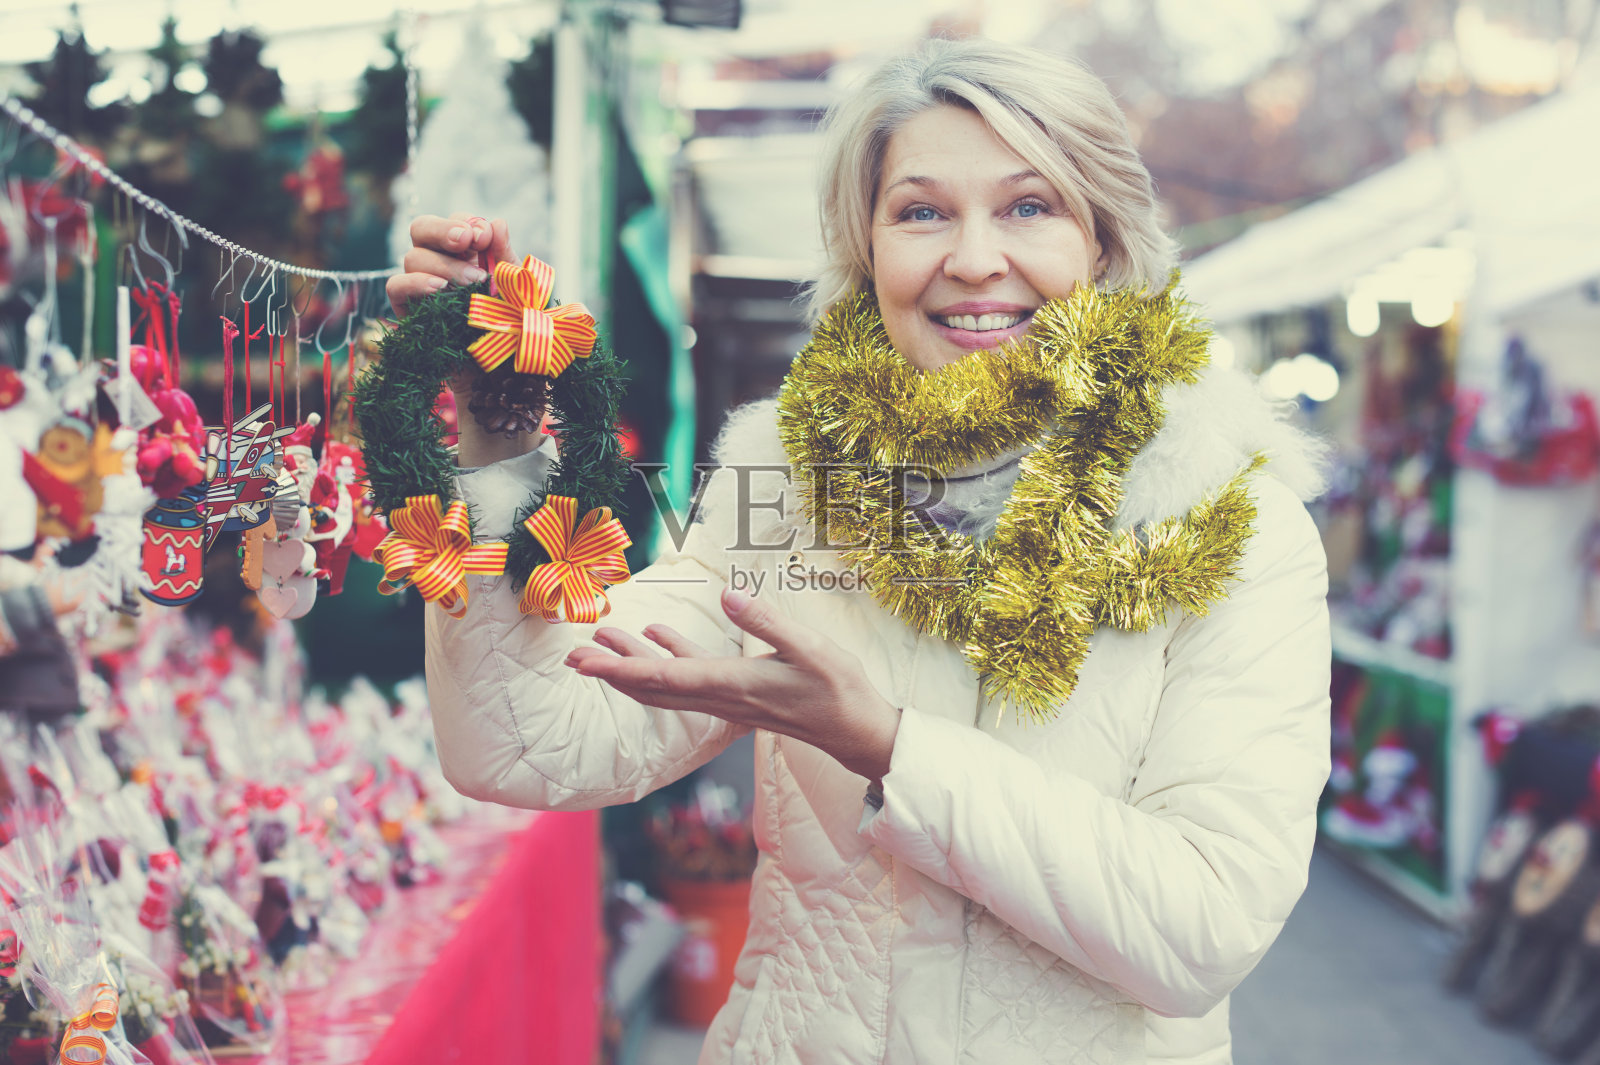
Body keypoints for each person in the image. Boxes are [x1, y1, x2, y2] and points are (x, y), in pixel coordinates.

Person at [389, 37, 1331, 1065]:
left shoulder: (1229, 525)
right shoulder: (786, 490)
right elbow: (527, 745)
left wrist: (888, 745)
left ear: (1102, 244)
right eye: (921, 211)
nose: (972, 258)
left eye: (1029, 207)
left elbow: (1201, 929)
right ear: (867, 251)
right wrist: (502, 427)